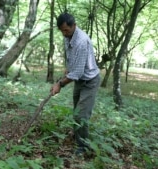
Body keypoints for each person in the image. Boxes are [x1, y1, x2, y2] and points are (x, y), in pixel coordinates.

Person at [50, 12, 100, 155]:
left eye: (66, 30)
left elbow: (77, 73)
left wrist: (59, 84)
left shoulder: (81, 41)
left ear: (74, 26)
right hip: (80, 80)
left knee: (82, 115)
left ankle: (83, 147)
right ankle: (78, 135)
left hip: (90, 81)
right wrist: (68, 67)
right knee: (76, 111)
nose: (64, 33)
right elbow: (71, 58)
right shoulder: (68, 37)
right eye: (62, 31)